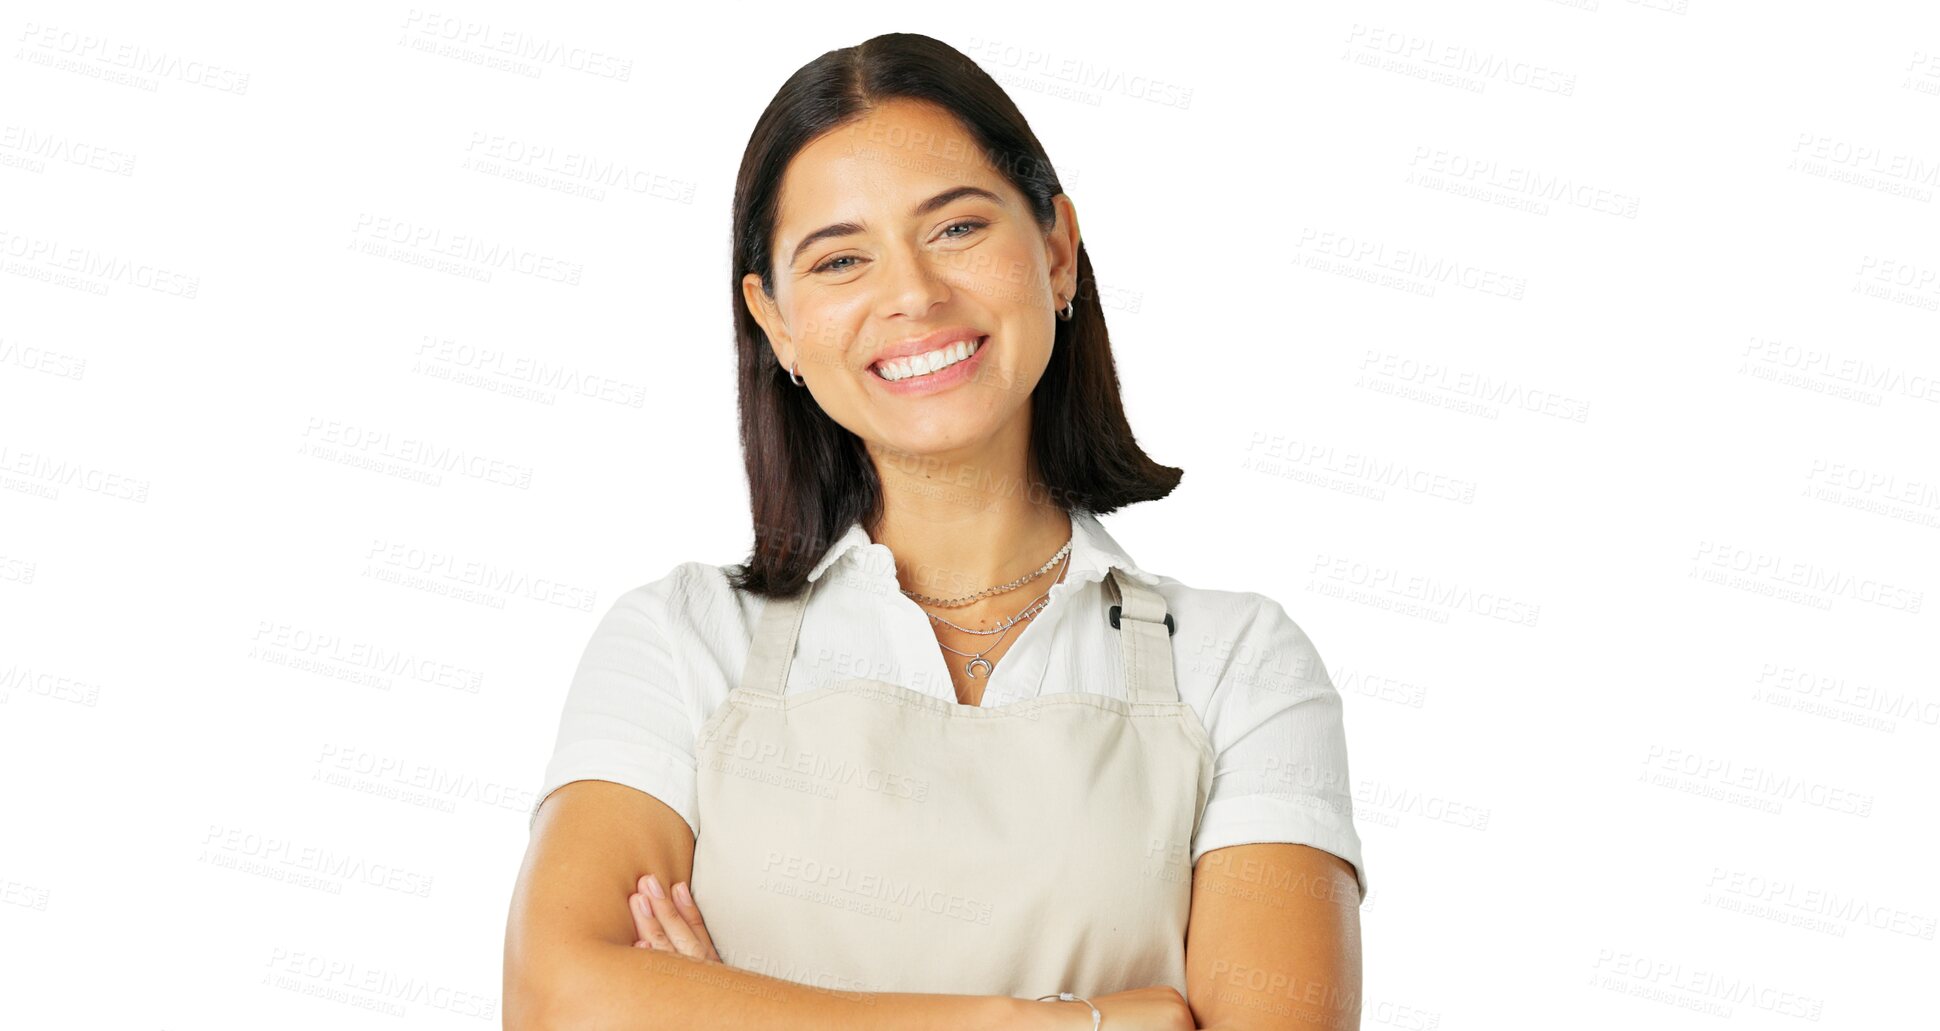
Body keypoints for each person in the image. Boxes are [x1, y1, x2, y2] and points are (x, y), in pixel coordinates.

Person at [504, 32, 1366, 1031]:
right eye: (838, 258)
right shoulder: (679, 639)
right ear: (776, 321)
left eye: (954, 228)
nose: (911, 293)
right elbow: (556, 998)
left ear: (1053, 249)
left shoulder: (1241, 664)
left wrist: (719, 1006)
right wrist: (1053, 1019)